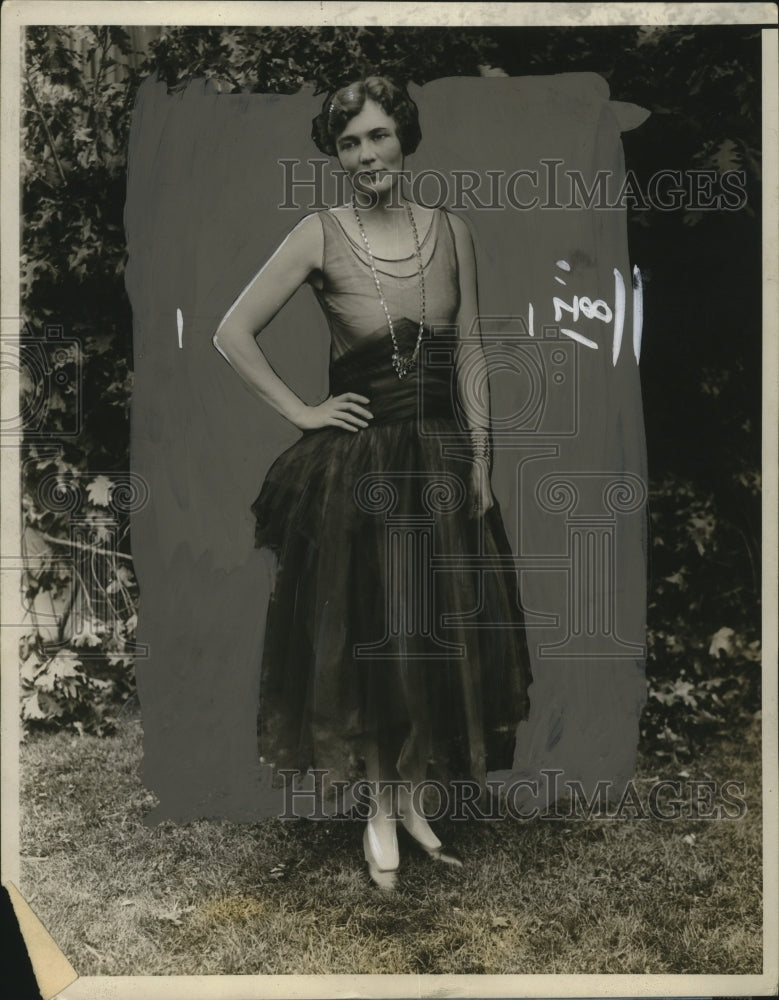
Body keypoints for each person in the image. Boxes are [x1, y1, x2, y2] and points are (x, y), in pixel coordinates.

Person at [212, 75, 531, 890]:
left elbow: (466, 353)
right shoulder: (319, 234)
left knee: (437, 632)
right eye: (349, 142)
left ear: (404, 139)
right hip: (367, 470)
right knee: (381, 636)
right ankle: (380, 812)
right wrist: (305, 410)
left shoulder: (451, 231)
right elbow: (231, 331)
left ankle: (415, 796)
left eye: (378, 136)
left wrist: (482, 458)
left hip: (447, 461)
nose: (365, 155)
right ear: (337, 153)